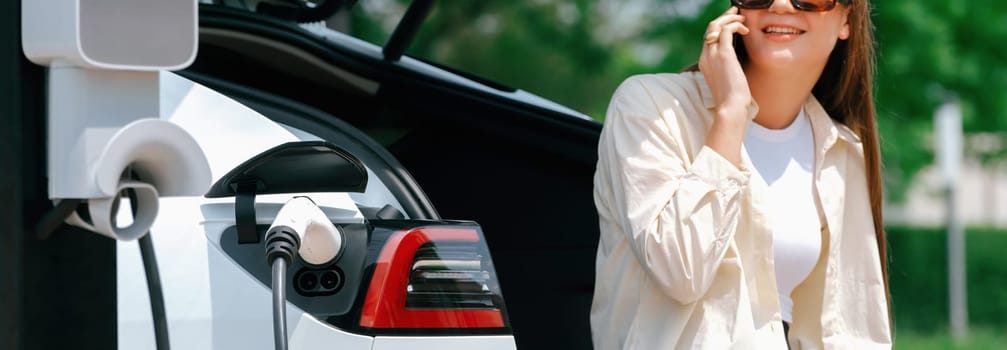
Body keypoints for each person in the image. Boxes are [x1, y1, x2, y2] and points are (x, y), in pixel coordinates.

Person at [590, 0, 891, 348]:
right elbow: (681, 271)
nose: (780, 3)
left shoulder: (841, 148)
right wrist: (731, 113)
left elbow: (851, 330)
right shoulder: (650, 108)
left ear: (847, 19)